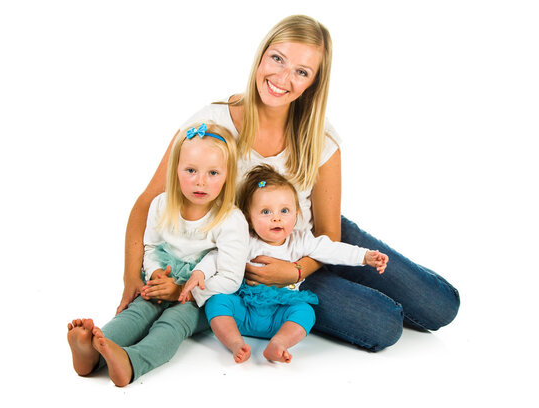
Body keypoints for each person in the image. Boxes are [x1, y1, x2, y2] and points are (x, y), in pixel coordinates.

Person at [117, 14, 460, 354]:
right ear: (262, 55)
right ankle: (348, 289)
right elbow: (151, 200)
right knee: (385, 324)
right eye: (278, 59)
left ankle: (365, 278)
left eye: (302, 72)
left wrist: (296, 268)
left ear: (313, 83)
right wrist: (131, 277)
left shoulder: (320, 138)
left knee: (442, 307)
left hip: (309, 238)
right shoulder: (212, 123)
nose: (283, 78)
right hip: (254, 260)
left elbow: (328, 233)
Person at [67, 123, 249, 386]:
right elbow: (151, 247)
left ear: (227, 175)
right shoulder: (162, 204)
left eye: (213, 173)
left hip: (201, 294)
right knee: (138, 311)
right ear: (176, 170)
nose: (200, 181)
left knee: (173, 323)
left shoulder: (231, 219)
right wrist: (155, 274)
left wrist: (181, 290)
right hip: (163, 278)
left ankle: (132, 363)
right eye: (191, 170)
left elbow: (231, 277)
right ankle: (93, 352)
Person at [185, 164, 389, 364]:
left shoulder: (300, 240)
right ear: (249, 217)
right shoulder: (244, 239)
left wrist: (365, 256)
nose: (276, 218)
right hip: (244, 309)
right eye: (265, 212)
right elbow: (218, 256)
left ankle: (279, 343)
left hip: (280, 313)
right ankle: (235, 343)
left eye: (284, 210)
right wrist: (200, 273)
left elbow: (333, 249)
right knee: (217, 303)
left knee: (305, 312)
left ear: (297, 213)